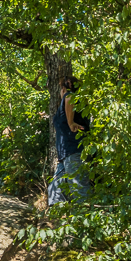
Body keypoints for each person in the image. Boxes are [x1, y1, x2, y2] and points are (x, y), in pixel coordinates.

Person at [48, 76, 91, 206]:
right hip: (66, 154)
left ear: (65, 88)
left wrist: (71, 122)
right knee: (55, 188)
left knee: (79, 190)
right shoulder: (67, 106)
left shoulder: (71, 97)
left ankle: (87, 221)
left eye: (62, 88)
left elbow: (70, 97)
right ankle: (57, 219)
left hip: (74, 151)